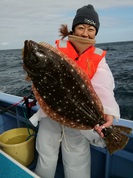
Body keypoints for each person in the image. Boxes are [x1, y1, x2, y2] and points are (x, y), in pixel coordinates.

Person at [29, 4, 120, 178]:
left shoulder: (98, 58)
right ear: (73, 28)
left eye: (91, 29)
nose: (85, 33)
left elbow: (104, 86)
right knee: (45, 153)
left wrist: (108, 111)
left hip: (79, 120)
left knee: (77, 161)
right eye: (81, 27)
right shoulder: (55, 51)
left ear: (96, 32)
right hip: (52, 115)